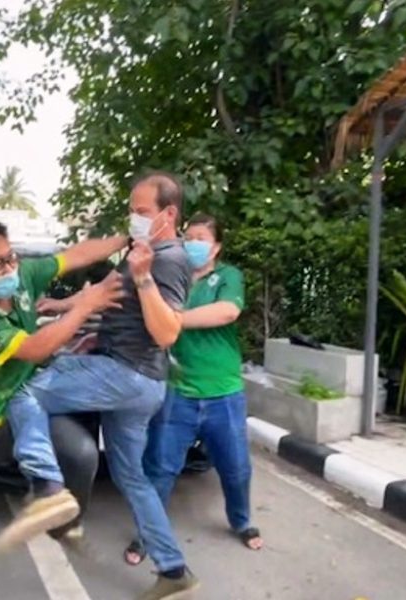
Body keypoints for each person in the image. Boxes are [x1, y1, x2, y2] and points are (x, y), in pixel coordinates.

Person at [1, 172, 198, 600]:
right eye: (132, 210)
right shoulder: (140, 252)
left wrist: (144, 278)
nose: (135, 218)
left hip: (127, 375)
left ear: (169, 213)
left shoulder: (168, 260)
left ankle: (49, 488)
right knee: (132, 477)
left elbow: (167, 333)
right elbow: (106, 293)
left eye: (143, 212)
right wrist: (61, 304)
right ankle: (173, 569)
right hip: (135, 381)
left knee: (26, 393)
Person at [0, 216, 127, 600]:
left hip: (27, 403)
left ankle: (62, 522)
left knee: (83, 456)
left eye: (10, 257)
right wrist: (85, 304)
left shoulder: (24, 276)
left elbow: (76, 254)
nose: (9, 268)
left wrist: (125, 237)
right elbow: (36, 348)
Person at [124, 213, 262, 565]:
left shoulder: (227, 277)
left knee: (236, 468)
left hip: (223, 392)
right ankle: (146, 535)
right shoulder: (172, 275)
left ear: (215, 247)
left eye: (201, 237)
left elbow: (227, 312)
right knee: (160, 468)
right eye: (188, 236)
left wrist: (174, 318)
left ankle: (243, 521)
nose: (192, 243)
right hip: (178, 390)